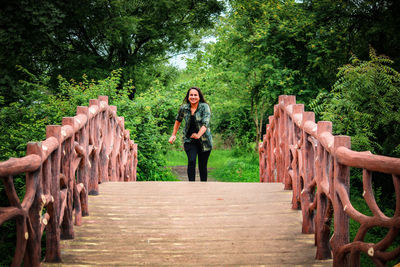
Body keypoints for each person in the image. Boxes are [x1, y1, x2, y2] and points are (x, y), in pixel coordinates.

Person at [169, 87, 212, 182]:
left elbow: (206, 123)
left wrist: (198, 135)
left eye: (195, 95)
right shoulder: (184, 108)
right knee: (191, 161)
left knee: (202, 166)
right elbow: (178, 120)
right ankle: (191, 186)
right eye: (191, 95)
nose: (193, 97)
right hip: (189, 140)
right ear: (188, 97)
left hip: (205, 142)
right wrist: (173, 135)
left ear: (199, 97)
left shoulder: (205, 107)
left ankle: (203, 187)